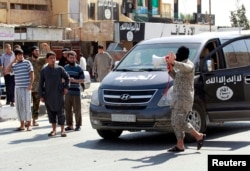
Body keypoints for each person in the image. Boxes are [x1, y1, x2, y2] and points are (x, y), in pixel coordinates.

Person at [166, 46, 206, 152]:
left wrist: (174, 62)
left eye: (179, 54)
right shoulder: (180, 66)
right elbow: (177, 77)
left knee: (180, 121)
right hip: (177, 98)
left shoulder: (189, 65)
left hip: (184, 99)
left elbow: (184, 67)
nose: (177, 56)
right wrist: (170, 69)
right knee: (174, 121)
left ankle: (198, 136)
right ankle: (180, 144)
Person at [39, 51, 70, 137]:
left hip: (59, 94)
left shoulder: (60, 69)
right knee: (50, 113)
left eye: (54, 58)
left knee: (61, 112)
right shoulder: (44, 71)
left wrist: (66, 88)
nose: (53, 60)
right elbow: (41, 83)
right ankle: (54, 130)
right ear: (47, 60)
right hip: (48, 95)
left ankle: (63, 130)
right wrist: (41, 95)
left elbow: (67, 78)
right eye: (51, 58)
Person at [6, 48, 34, 131]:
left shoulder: (27, 63)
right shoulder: (14, 65)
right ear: (16, 56)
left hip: (26, 87)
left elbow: (32, 74)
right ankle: (22, 125)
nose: (21, 56)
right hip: (18, 88)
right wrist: (13, 61)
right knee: (19, 107)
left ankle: (29, 124)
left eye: (21, 55)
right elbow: (7, 71)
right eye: (18, 55)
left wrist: (30, 85)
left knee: (27, 106)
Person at [64, 51, 85, 131]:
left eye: (73, 58)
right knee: (67, 109)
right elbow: (62, 78)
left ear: (75, 58)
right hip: (67, 92)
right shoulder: (65, 68)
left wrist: (75, 80)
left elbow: (82, 80)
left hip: (76, 91)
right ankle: (70, 125)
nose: (72, 59)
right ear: (68, 58)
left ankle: (78, 125)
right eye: (70, 58)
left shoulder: (79, 68)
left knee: (77, 109)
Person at [27, 46, 47, 126]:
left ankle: (34, 120)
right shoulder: (27, 61)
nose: (37, 52)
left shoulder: (41, 60)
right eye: (36, 51)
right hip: (29, 86)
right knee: (27, 104)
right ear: (32, 52)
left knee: (36, 104)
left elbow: (49, 57)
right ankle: (27, 120)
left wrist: (47, 49)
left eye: (38, 51)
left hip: (38, 86)